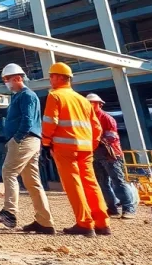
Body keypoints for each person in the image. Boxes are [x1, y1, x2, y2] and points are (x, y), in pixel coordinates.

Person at [0, 64, 55, 234]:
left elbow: (27, 119)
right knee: (32, 182)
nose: (6, 83)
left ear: (17, 78)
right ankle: (45, 222)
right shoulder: (18, 96)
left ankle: (9, 212)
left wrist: (17, 138)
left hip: (25, 139)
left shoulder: (27, 96)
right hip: (28, 140)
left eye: (7, 80)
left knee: (8, 171)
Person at [42, 63, 109, 236]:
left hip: (65, 148)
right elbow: (96, 127)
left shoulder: (55, 96)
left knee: (73, 184)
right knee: (91, 183)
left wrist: (46, 143)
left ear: (58, 77)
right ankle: (102, 223)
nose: (50, 79)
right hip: (85, 148)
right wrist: (91, 145)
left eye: (51, 76)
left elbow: (50, 122)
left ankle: (85, 223)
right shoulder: (83, 100)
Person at [86, 94, 137, 219]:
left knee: (118, 181)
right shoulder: (87, 119)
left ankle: (129, 208)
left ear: (100, 104)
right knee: (103, 183)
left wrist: (97, 140)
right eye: (88, 103)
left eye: (93, 103)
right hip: (96, 155)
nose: (90, 106)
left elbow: (111, 138)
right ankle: (112, 208)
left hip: (111, 155)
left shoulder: (106, 118)